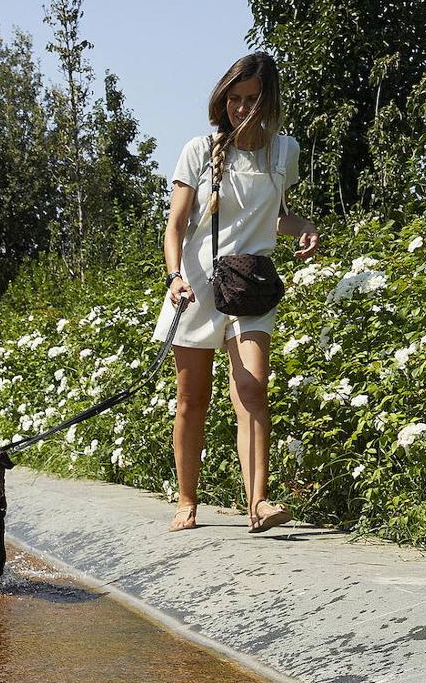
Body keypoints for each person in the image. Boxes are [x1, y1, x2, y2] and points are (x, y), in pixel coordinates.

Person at [151, 52, 320, 534]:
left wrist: (304, 225)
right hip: (197, 286)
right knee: (192, 399)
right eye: (234, 100)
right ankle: (187, 500)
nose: (242, 109)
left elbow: (272, 218)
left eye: (252, 100)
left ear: (269, 102)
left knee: (253, 386)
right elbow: (176, 226)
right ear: (223, 100)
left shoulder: (284, 151)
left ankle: (259, 502)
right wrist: (174, 277)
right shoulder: (197, 150)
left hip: (251, 284)